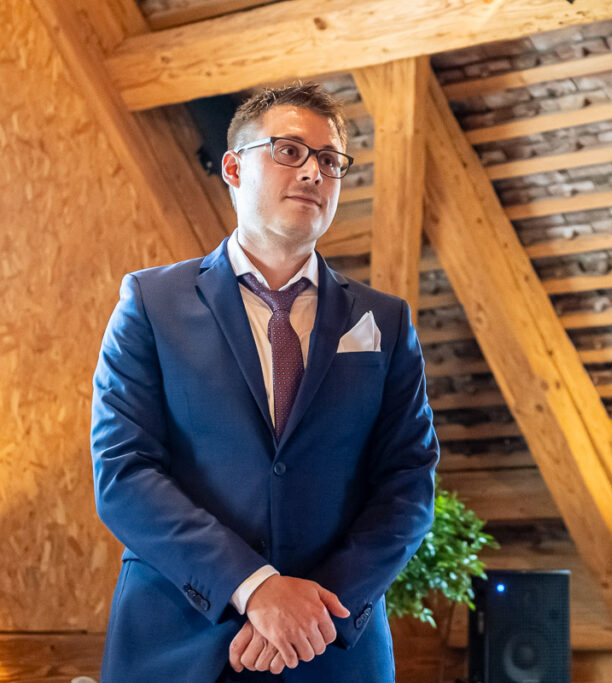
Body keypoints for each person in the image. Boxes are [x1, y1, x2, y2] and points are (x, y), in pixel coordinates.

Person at [90, 82, 439, 682]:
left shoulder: (384, 321)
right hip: (179, 642)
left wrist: (310, 609)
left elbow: (408, 484)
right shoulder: (151, 303)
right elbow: (125, 473)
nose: (312, 172)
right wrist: (256, 590)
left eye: (329, 161)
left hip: (333, 646)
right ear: (232, 166)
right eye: (289, 151)